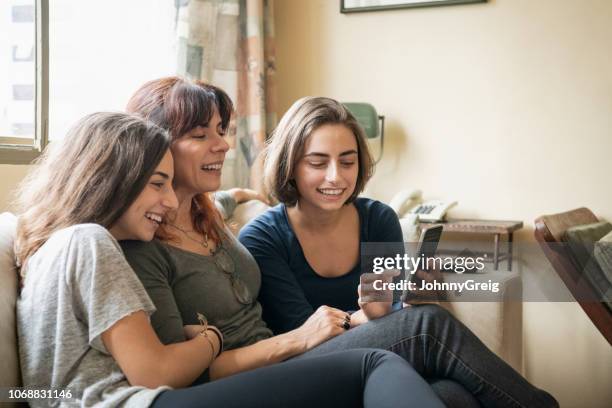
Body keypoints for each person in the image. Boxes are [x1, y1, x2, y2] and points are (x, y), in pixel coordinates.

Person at [14, 111, 443, 408]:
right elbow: (153, 372)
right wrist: (210, 340)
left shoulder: (51, 248)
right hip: (141, 402)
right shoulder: (88, 243)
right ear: (110, 178)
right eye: (158, 184)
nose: (168, 201)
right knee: (377, 362)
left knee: (440, 388)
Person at [238, 96, 560, 408]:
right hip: (306, 372)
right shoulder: (263, 238)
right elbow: (306, 334)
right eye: (318, 162)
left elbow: (395, 309)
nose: (336, 176)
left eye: (347, 161)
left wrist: (412, 297)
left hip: (380, 364)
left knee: (453, 396)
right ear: (290, 166)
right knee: (428, 324)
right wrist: (372, 316)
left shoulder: (377, 218)